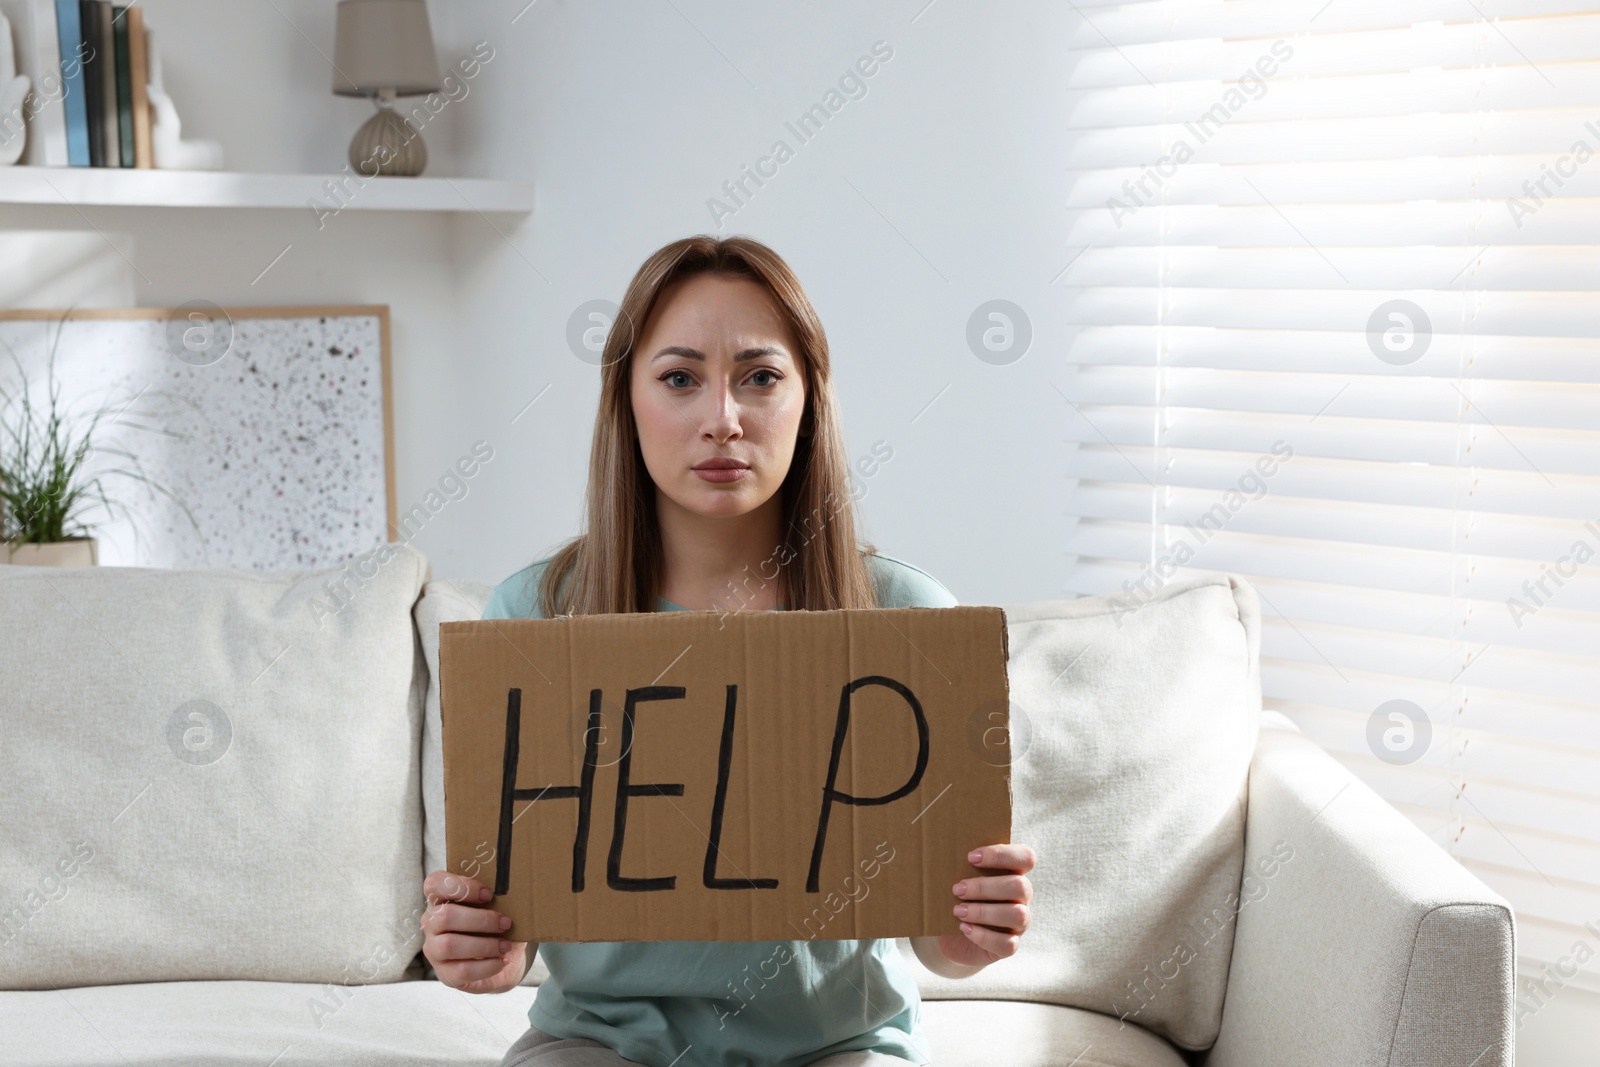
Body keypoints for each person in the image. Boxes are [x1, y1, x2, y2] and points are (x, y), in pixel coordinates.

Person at [421, 235, 1036, 1067]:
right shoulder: (532, 615)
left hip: (839, 1046)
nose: (723, 418)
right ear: (626, 399)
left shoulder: (907, 617)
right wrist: (482, 947)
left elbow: (940, 943)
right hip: (596, 1044)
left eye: (761, 376)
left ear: (810, 398)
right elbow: (518, 920)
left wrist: (976, 929)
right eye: (679, 378)